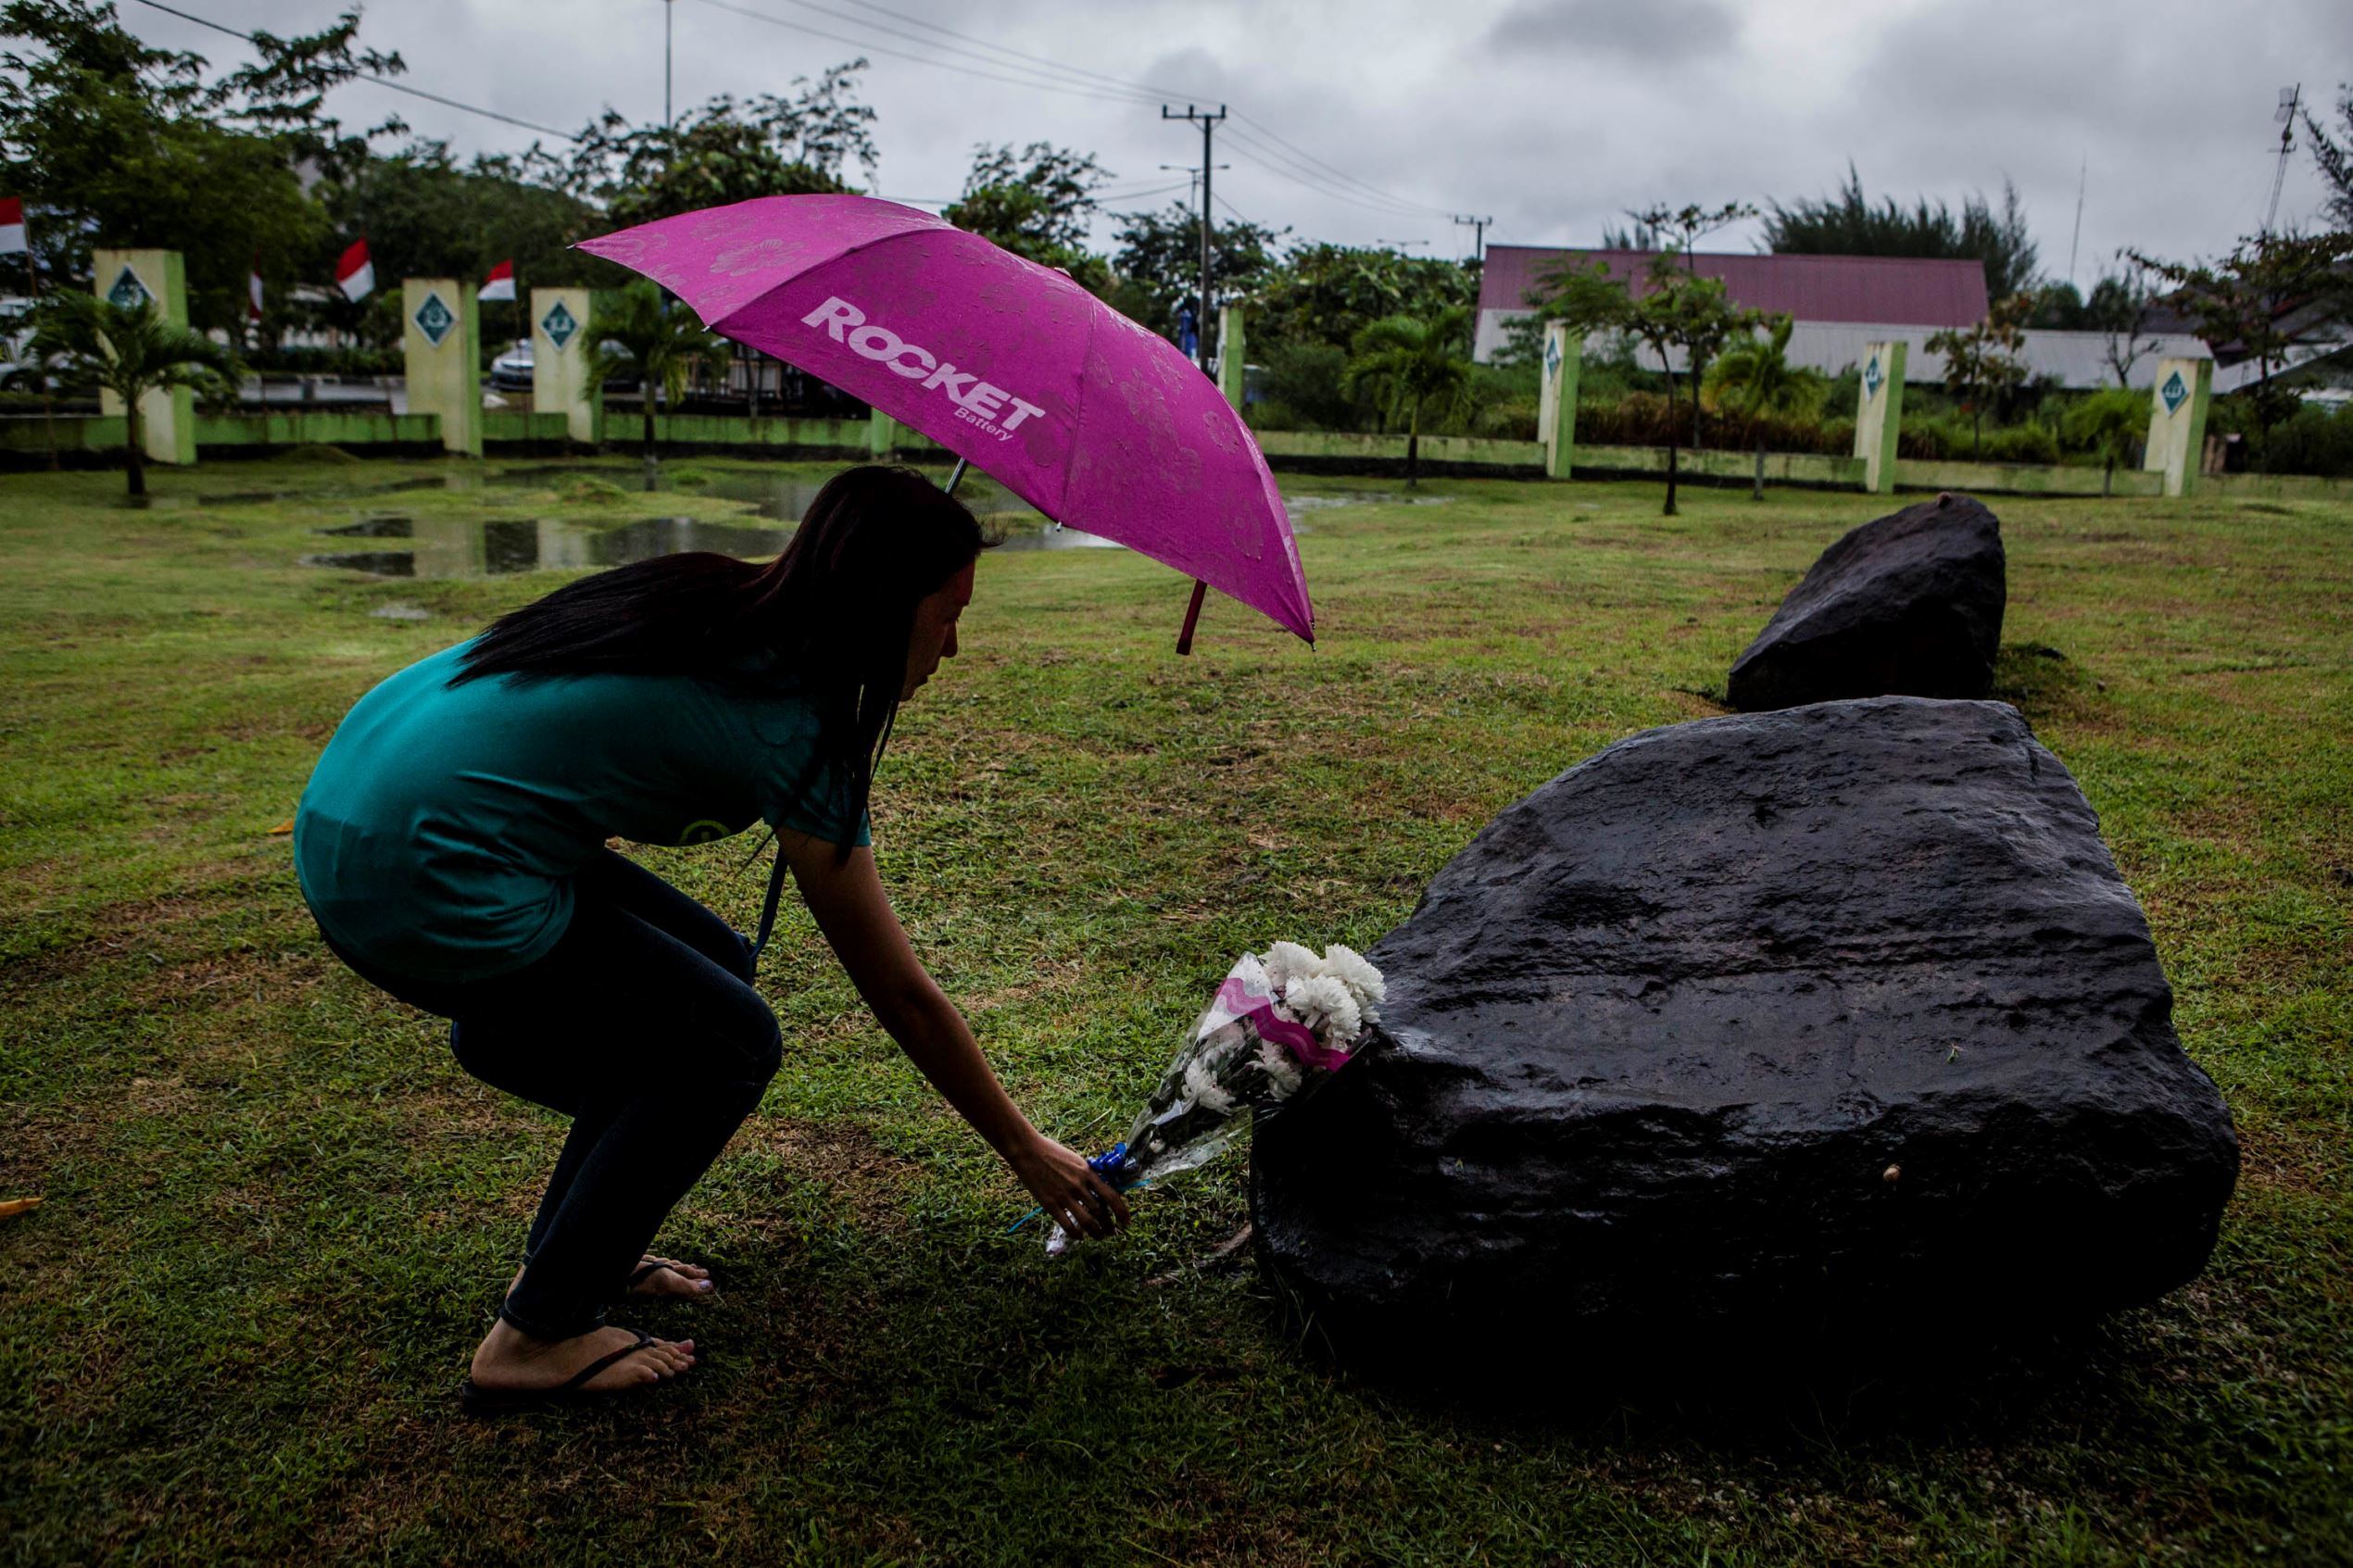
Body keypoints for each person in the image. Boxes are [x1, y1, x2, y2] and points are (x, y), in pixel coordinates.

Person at [293, 464, 1130, 1414]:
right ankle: (535, 1333)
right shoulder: (788, 721)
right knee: (731, 1043)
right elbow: (899, 991)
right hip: (420, 870)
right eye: (946, 613)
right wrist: (1020, 1144)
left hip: (362, 804)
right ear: (880, 602)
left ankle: (583, 1247)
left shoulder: (720, 597)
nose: (954, 645)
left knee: (714, 975)